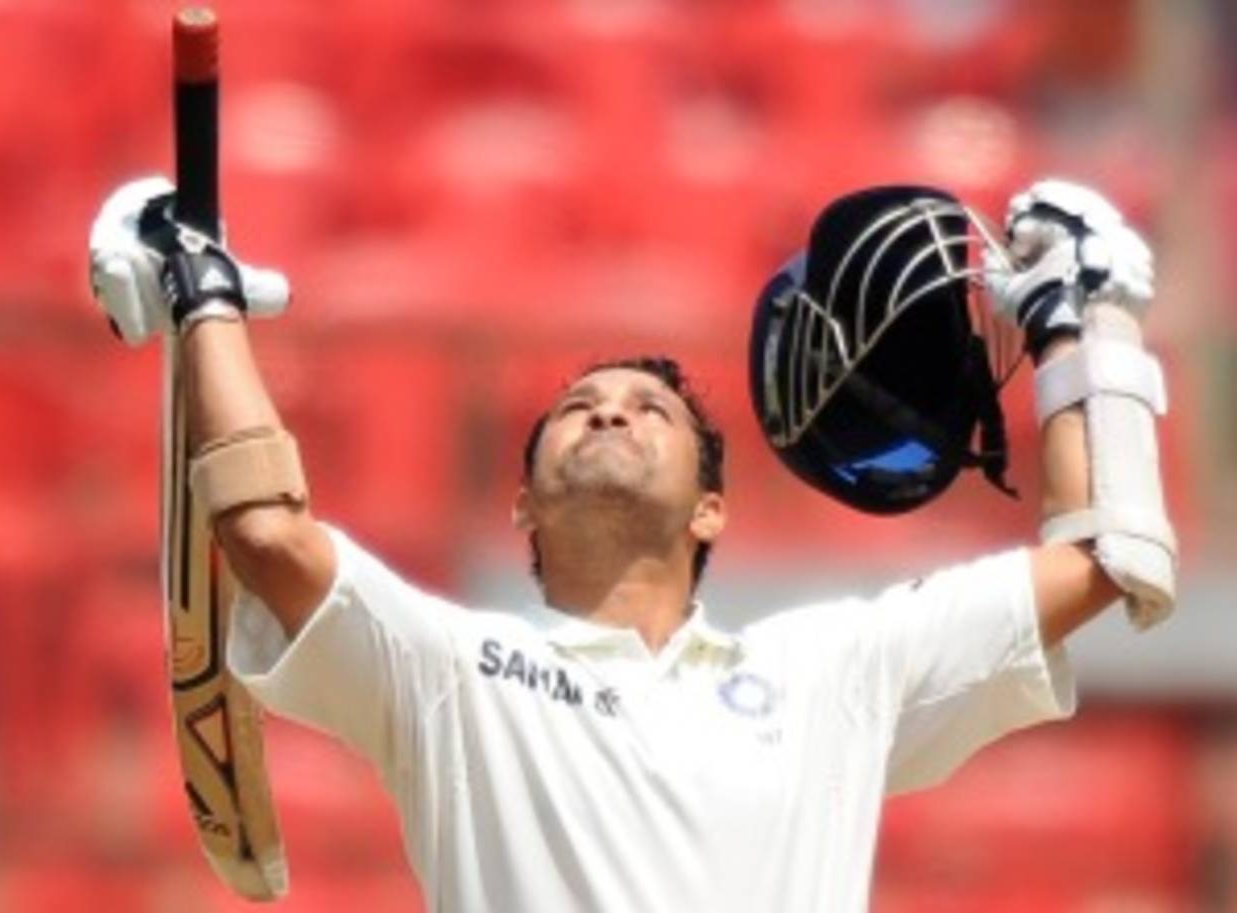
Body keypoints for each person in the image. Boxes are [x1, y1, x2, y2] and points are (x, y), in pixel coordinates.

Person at [88, 177, 1173, 912]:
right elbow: (262, 527)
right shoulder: (452, 674)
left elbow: (1103, 555)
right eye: (577, 407)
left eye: (648, 410)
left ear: (710, 509)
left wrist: (1076, 318)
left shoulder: (830, 671)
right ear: (521, 506)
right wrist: (204, 294)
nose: (609, 414)